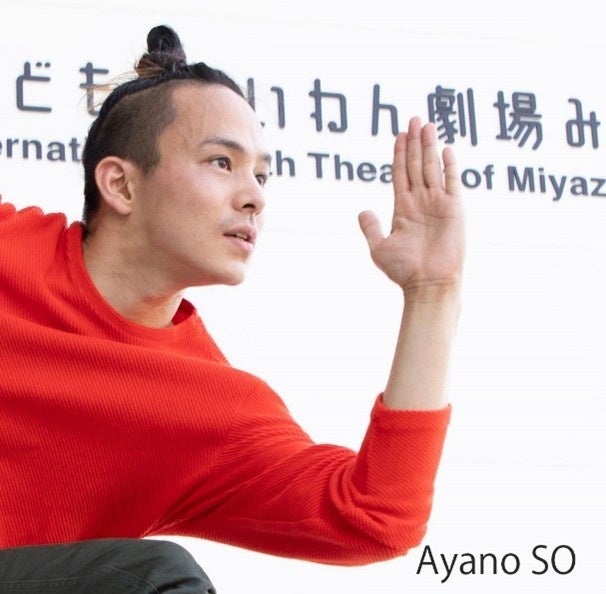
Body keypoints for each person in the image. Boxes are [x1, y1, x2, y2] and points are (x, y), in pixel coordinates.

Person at [0, 24, 464, 593]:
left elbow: (377, 515)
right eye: (222, 162)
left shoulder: (212, 406)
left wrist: (433, 293)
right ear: (120, 185)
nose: (255, 197)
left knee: (157, 579)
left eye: (261, 175)